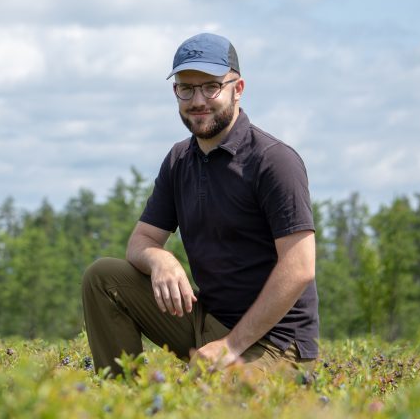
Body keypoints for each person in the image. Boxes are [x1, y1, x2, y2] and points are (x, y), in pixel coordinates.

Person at [82, 33, 318, 377]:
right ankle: (123, 402)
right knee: (103, 277)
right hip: (207, 321)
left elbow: (299, 267)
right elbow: (140, 241)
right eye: (186, 89)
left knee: (207, 400)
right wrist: (160, 259)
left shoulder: (273, 161)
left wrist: (231, 346)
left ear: (237, 89)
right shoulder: (179, 159)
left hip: (276, 343)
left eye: (211, 87)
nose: (197, 100)